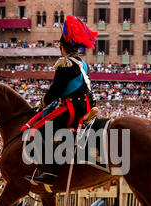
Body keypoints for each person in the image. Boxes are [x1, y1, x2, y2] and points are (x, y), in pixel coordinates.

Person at [22, 16, 98, 186]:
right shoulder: (82, 63)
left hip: (72, 107)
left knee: (38, 130)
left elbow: (55, 90)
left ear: (63, 48)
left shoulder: (65, 64)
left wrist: (43, 102)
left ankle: (49, 171)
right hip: (84, 105)